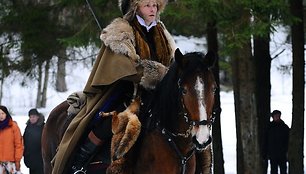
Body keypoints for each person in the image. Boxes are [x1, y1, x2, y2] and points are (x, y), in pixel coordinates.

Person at [51, 0, 176, 173]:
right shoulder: (121, 31)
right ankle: (79, 162)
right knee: (108, 121)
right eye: (147, 5)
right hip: (128, 92)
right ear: (136, 8)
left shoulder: (162, 33)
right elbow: (121, 66)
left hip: (159, 94)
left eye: (155, 5)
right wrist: (151, 73)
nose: (152, 9)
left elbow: (172, 62)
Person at [0, 105, 24, 174]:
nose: (1, 116)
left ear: (6, 114)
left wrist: (17, 160)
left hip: (11, 162)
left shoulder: (13, 126)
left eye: (2, 113)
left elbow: (19, 144)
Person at [266, 110, 290, 174]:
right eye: (275, 116)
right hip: (272, 154)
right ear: (273, 117)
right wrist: (265, 152)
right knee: (273, 170)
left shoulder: (285, 127)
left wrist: (287, 151)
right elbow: (266, 140)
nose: (277, 117)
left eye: (278, 116)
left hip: (282, 154)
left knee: (283, 170)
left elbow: (288, 140)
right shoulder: (269, 127)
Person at [23, 108, 45, 174]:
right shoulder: (28, 127)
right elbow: (24, 140)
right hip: (30, 158)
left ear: (38, 117)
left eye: (34, 116)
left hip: (41, 158)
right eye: (30, 117)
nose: (32, 118)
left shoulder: (44, 127)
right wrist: (25, 154)